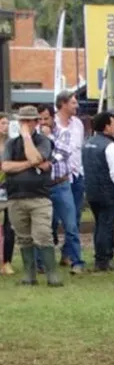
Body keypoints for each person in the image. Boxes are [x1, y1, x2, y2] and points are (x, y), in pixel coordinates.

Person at [1, 105, 62, 286]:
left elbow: (38, 158)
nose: (25, 124)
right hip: (15, 197)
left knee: (43, 234)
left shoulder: (44, 141)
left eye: (28, 121)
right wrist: (32, 164)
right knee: (23, 236)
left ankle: (52, 274)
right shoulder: (11, 144)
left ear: (36, 122)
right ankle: (29, 274)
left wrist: (27, 137)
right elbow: (5, 166)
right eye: (22, 121)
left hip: (39, 197)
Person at [48, 91, 86, 274]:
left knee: (73, 220)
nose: (76, 106)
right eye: (73, 102)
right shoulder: (50, 124)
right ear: (62, 104)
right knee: (52, 221)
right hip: (55, 179)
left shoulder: (78, 124)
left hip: (75, 176)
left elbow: (78, 150)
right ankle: (47, 255)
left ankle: (69, 255)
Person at [82, 112, 114, 272]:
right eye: (113, 123)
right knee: (106, 225)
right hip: (107, 191)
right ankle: (104, 259)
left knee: (99, 225)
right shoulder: (109, 146)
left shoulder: (87, 143)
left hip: (92, 191)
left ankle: (101, 257)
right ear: (106, 126)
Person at [0, 112, 14, 275]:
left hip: (10, 190)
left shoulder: (12, 145)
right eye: (3, 123)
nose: (5, 127)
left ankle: (7, 261)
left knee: (10, 227)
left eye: (7, 124)